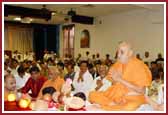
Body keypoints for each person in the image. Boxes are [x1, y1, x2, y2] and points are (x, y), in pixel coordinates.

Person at [89, 41, 152, 111]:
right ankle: (112, 105)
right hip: (116, 96)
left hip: (132, 98)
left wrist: (120, 79)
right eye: (118, 52)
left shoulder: (139, 66)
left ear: (130, 53)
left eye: (122, 52)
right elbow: (113, 84)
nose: (118, 55)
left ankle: (107, 107)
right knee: (92, 95)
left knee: (130, 107)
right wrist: (116, 81)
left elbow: (141, 91)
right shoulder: (117, 64)